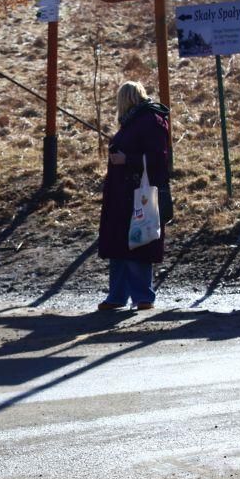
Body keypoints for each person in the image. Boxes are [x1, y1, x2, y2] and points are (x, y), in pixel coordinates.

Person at [97, 82, 170, 311]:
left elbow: (159, 158)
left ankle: (140, 296)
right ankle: (119, 296)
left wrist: (127, 160)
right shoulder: (139, 119)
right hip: (124, 193)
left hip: (137, 193)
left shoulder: (149, 120)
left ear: (125, 99)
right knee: (123, 243)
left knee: (138, 241)